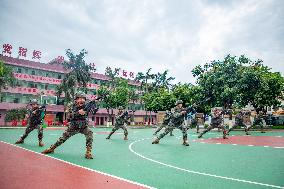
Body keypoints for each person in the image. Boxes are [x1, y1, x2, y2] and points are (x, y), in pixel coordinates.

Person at [42, 92, 94, 159]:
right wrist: (78, 112)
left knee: (89, 134)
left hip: (83, 125)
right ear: (76, 99)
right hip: (73, 126)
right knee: (63, 138)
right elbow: (69, 116)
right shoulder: (71, 105)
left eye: (83, 99)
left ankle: (88, 152)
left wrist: (93, 105)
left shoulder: (87, 105)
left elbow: (91, 111)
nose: (82, 100)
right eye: (80, 98)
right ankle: (52, 148)